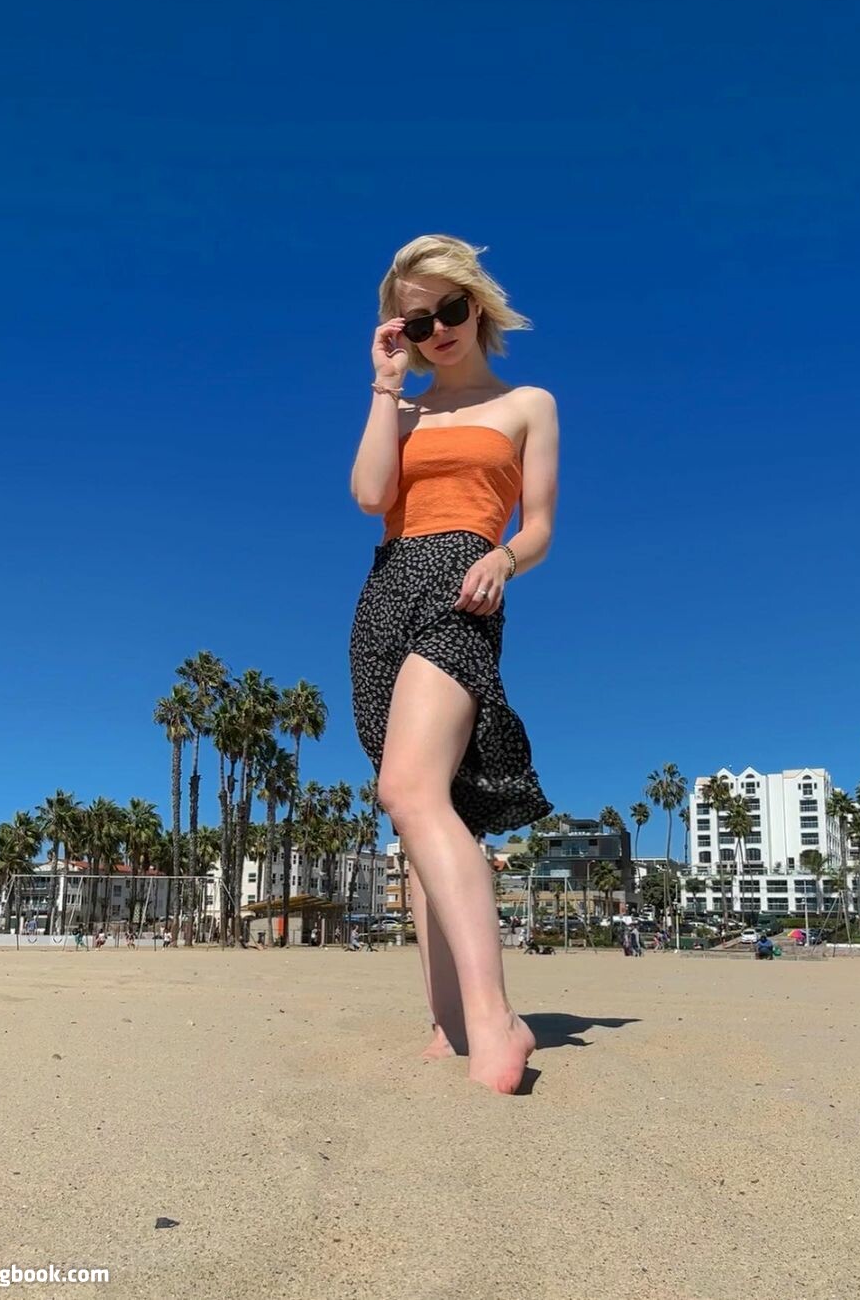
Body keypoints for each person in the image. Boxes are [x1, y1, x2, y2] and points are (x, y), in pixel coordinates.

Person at [349, 235, 558, 1095]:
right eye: (417, 320)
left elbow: (539, 527)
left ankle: (494, 1017)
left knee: (408, 788)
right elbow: (371, 496)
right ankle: (447, 1021)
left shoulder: (528, 404)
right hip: (386, 593)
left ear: (478, 303)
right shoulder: (402, 412)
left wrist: (503, 558)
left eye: (451, 309)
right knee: (422, 813)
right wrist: (384, 387)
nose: (438, 329)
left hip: (464, 587)